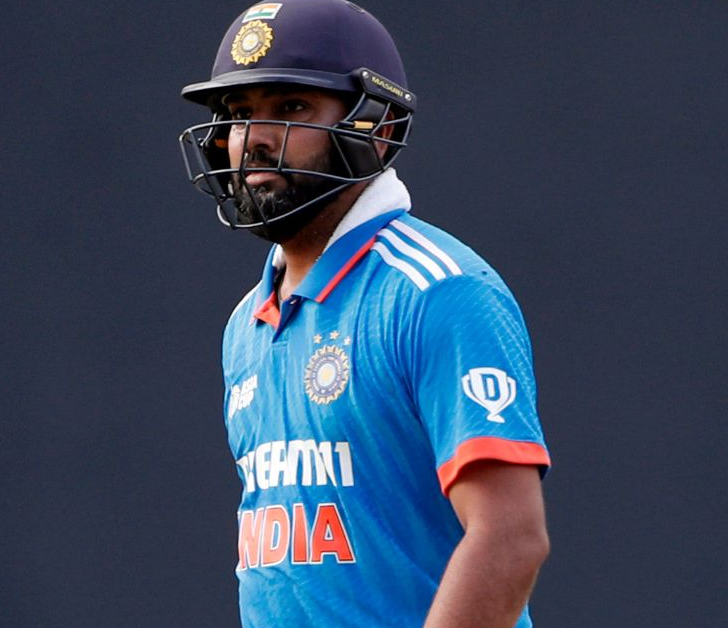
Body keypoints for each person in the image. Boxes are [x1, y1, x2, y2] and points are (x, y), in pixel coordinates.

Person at [178, 1, 551, 626]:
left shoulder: (438, 292)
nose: (256, 138)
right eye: (239, 114)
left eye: (291, 108)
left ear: (375, 128)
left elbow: (510, 538)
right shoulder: (246, 324)